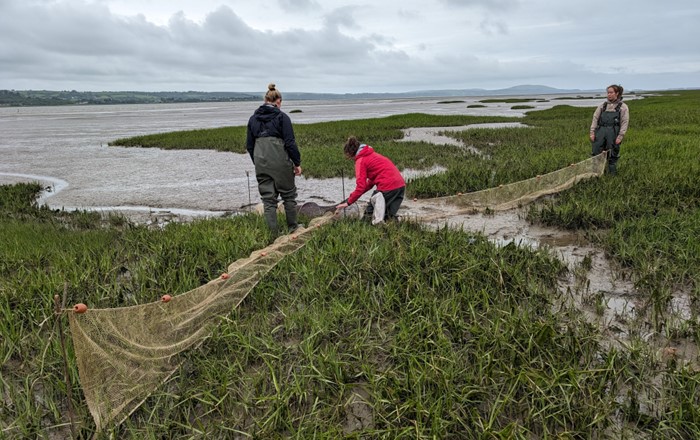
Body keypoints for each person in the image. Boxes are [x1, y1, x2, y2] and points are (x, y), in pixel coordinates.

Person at [246, 83, 302, 236]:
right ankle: (293, 228)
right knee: (289, 195)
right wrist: (297, 163)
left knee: (268, 199)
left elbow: (249, 146)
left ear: (265, 100)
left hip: (261, 162)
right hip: (280, 161)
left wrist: (257, 162)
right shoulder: (282, 117)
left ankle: (273, 234)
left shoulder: (253, 119)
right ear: (278, 101)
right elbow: (290, 143)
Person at [335, 136, 406, 224]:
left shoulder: (360, 161)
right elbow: (371, 181)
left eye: (349, 157)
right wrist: (353, 197)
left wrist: (349, 202)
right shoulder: (371, 154)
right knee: (388, 217)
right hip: (400, 186)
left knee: (368, 218)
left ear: (350, 153)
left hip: (387, 187)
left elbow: (361, 186)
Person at [589, 84, 629, 175]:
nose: (609, 95)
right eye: (608, 93)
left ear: (617, 93)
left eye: (611, 92)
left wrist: (620, 136)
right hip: (600, 132)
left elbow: (624, 122)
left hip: (614, 132)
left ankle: (612, 176)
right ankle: (596, 175)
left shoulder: (623, 107)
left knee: (612, 154)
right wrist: (592, 132)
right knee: (596, 153)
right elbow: (595, 118)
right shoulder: (602, 106)